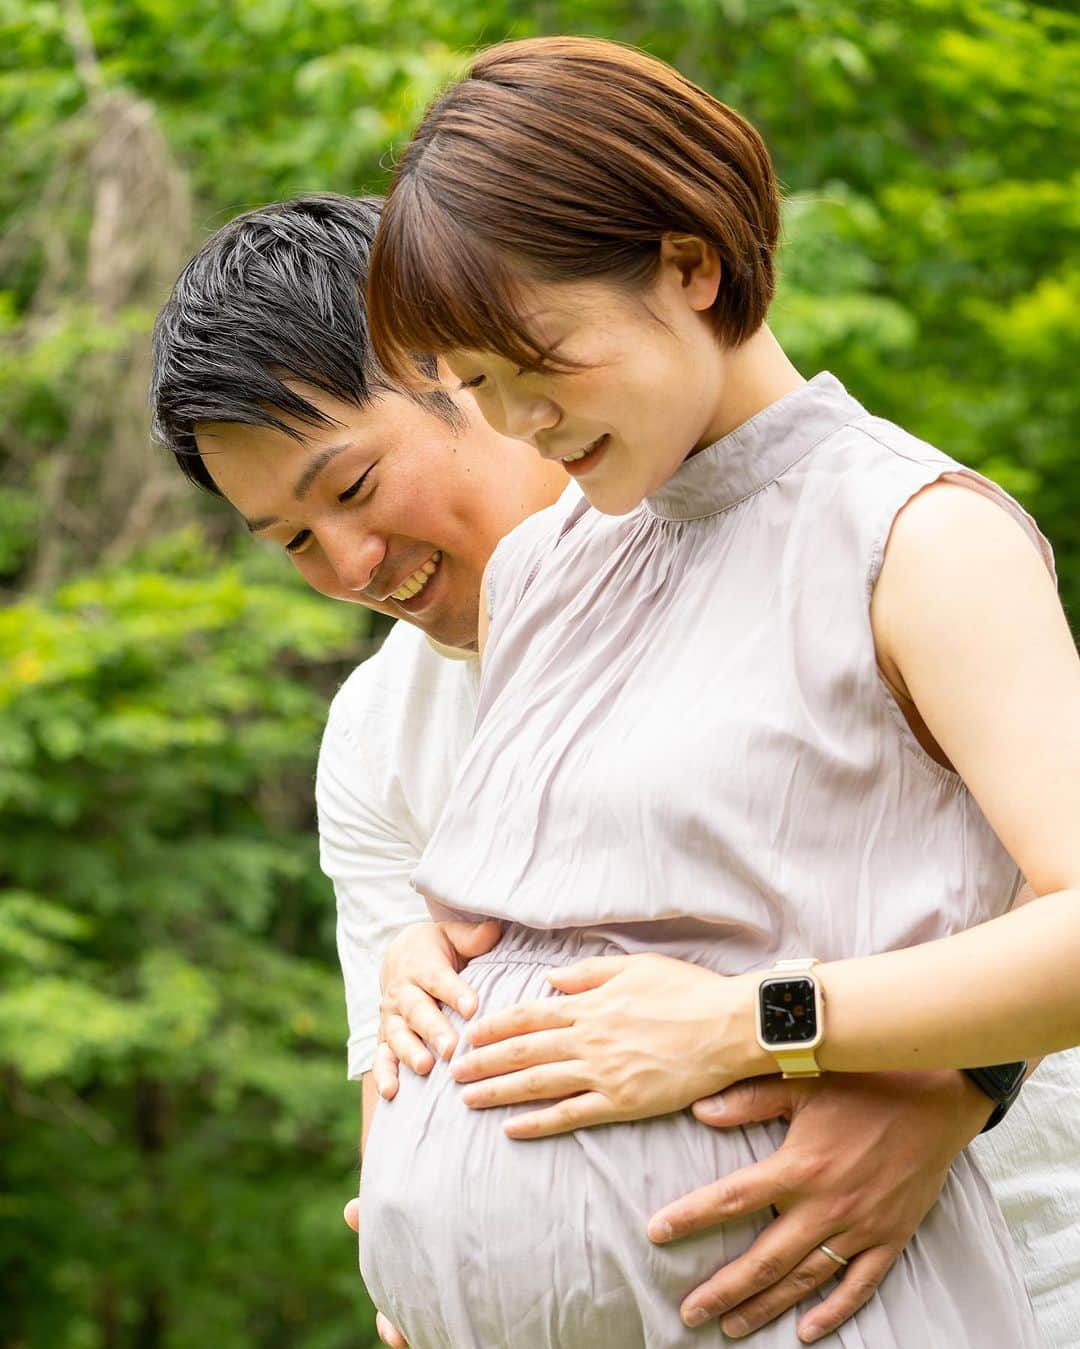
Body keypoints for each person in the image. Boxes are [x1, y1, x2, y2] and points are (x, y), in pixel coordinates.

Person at [148, 195, 1079, 1345]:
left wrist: (955, 1089)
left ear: (461, 365)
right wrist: (434, 1249)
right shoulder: (377, 730)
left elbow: (1049, 877)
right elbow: (398, 1078)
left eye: (350, 489)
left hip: (983, 1274)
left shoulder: (844, 535)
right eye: (290, 540)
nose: (348, 563)